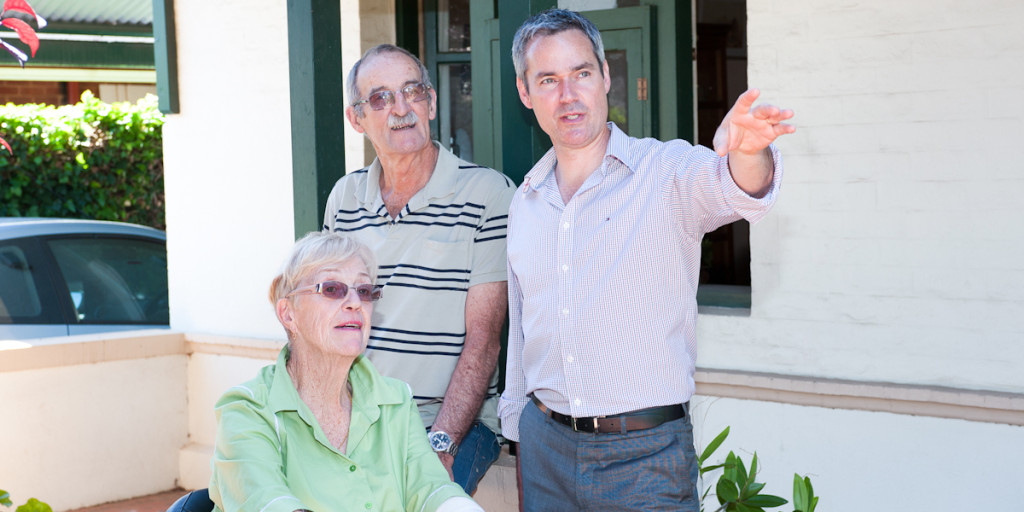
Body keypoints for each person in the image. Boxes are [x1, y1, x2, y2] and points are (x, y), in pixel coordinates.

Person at [498, 9, 797, 511]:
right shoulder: (524, 200)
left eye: (582, 73)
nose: (568, 95)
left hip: (644, 459)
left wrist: (748, 153)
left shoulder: (664, 173)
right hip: (545, 446)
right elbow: (524, 330)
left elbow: (737, 189)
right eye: (548, 80)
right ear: (526, 94)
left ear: (606, 77)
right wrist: (519, 432)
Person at [323, 44, 516, 494]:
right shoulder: (344, 198)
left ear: (430, 101)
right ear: (357, 119)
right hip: (360, 416)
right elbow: (327, 326)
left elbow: (484, 340)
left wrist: (441, 445)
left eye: (412, 91)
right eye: (381, 98)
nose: (401, 108)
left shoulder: (487, 194)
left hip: (449, 422)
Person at [209, 231, 483, 512]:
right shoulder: (247, 410)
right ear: (288, 314)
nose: (355, 302)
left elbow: (432, 489)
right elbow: (267, 502)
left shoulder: (396, 400)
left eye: (363, 291)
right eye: (332, 289)